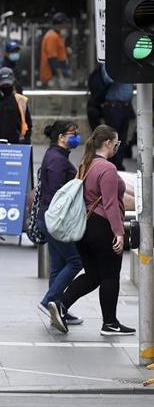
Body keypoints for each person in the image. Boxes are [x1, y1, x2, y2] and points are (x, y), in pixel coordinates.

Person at [48, 125, 135, 337]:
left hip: (84, 227)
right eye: (116, 143)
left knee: (94, 275)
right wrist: (119, 232)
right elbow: (110, 204)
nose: (117, 146)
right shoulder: (107, 168)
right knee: (110, 275)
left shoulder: (86, 164)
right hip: (102, 226)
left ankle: (60, 304)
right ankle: (110, 323)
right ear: (107, 143)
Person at [37, 121, 84, 325]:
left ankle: (57, 307)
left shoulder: (56, 155)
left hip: (46, 218)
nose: (76, 137)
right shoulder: (57, 160)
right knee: (75, 261)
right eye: (72, 134)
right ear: (61, 137)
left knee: (58, 265)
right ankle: (50, 300)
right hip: (53, 219)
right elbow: (58, 194)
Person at [99, 64, 134, 171]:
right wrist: (120, 69)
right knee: (112, 137)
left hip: (125, 106)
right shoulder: (108, 63)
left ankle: (118, 164)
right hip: (114, 107)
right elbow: (107, 79)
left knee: (122, 139)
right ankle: (111, 164)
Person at [40, 12, 71, 87]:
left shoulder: (58, 36)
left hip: (58, 75)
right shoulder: (52, 36)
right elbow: (52, 59)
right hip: (53, 77)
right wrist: (61, 77)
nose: (67, 26)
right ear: (61, 24)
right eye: (65, 23)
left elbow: (61, 56)